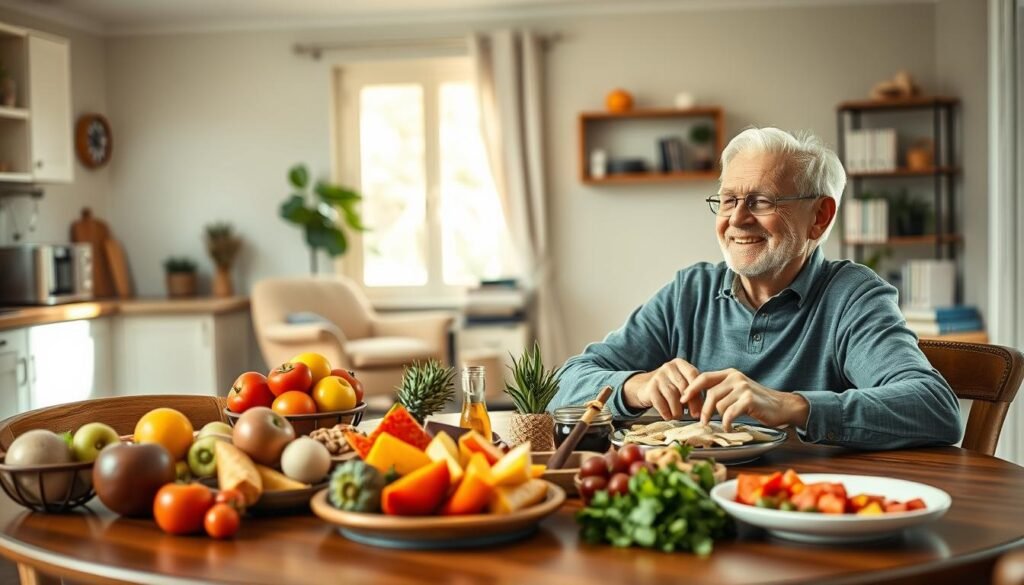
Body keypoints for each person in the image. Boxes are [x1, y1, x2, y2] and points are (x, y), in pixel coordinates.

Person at [550, 127, 961, 449]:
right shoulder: (689, 291)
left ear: (819, 216)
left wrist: (790, 405)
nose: (738, 219)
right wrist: (636, 385)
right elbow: (564, 384)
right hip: (698, 500)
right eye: (728, 200)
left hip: (801, 507)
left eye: (762, 201)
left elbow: (934, 408)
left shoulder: (851, 296)